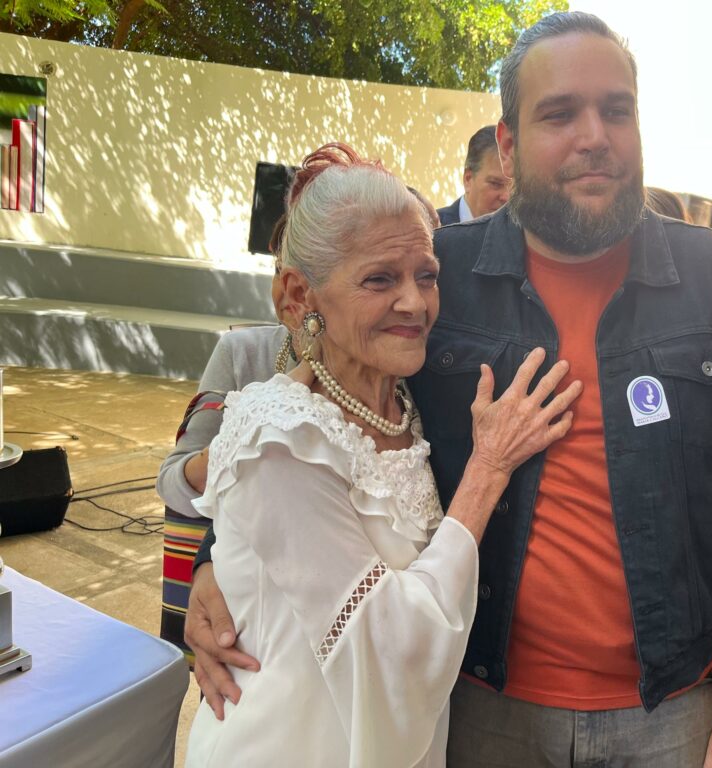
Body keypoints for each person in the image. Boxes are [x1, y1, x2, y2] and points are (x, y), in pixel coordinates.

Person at [187, 13, 712, 768]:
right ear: (509, 144)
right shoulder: (436, 274)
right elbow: (314, 404)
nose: (595, 136)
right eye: (560, 113)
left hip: (670, 710)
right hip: (477, 705)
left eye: (617, 110)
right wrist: (216, 561)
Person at [184, 142, 581, 766]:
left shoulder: (405, 399)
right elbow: (391, 650)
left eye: (427, 276)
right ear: (298, 297)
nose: (415, 303)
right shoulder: (280, 438)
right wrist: (488, 471)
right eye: (379, 279)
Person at [436, 125, 511, 225]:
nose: (506, 197)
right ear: (468, 179)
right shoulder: (430, 229)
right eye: (495, 184)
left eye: (514, 187)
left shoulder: (523, 231)